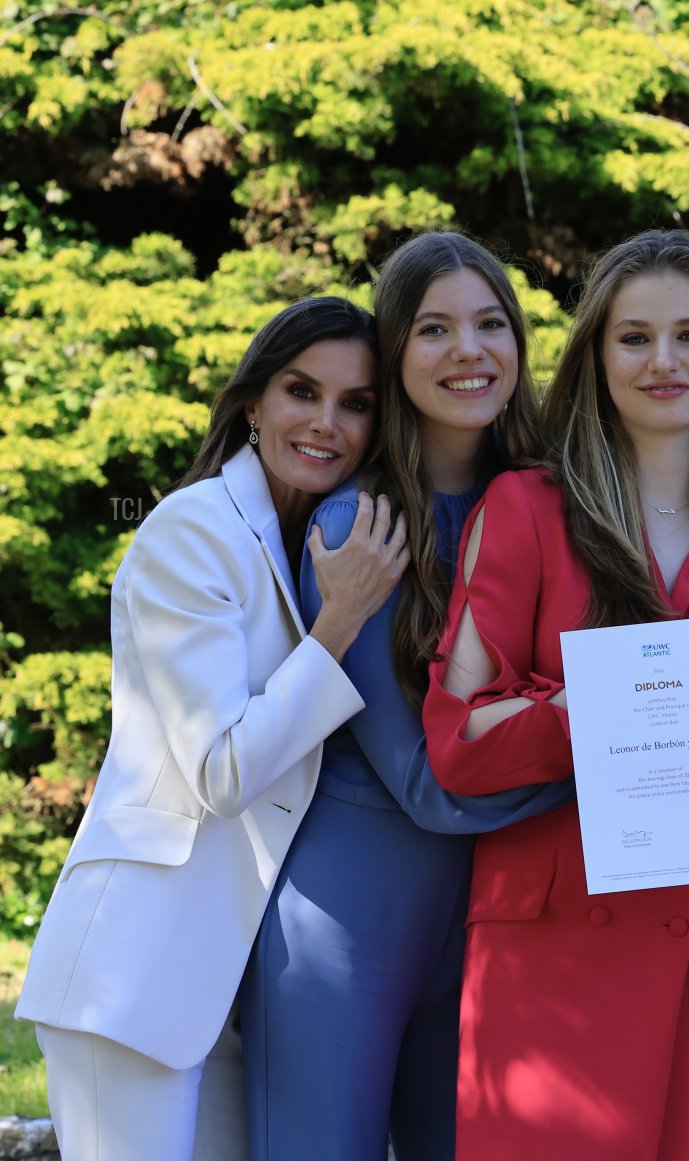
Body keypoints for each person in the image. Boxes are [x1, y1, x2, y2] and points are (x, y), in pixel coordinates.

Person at [422, 228, 689, 1161]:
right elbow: (457, 739)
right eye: (634, 337)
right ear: (597, 357)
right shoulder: (524, 508)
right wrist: (613, 700)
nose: (663, 361)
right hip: (553, 950)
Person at [15, 296, 409, 1161]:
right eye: (302, 391)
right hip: (132, 980)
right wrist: (339, 623)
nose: (326, 422)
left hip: (224, 992)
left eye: (355, 403)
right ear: (254, 403)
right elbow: (221, 770)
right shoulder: (190, 530)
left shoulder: (304, 540)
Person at [238, 231, 574, 1161]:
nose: (469, 349)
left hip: (488, 923)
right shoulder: (358, 524)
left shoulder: (554, 501)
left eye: (491, 323)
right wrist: (617, 765)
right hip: (344, 926)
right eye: (434, 328)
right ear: (395, 353)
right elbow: (429, 785)